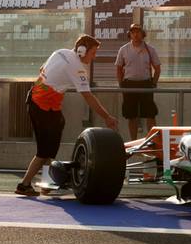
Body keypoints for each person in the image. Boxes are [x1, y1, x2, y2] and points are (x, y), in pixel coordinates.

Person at [16, 34, 119, 196]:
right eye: (93, 53)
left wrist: (55, 86)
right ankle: (24, 184)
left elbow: (41, 69)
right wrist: (107, 117)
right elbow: (88, 96)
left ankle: (47, 183)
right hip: (42, 107)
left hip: (39, 101)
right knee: (44, 151)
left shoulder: (60, 52)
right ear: (82, 51)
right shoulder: (77, 68)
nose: (94, 57)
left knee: (51, 147)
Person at [115, 23, 162, 140]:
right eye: (133, 32)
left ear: (143, 34)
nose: (135, 35)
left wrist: (153, 83)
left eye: (138, 32)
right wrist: (121, 84)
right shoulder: (123, 49)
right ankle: (134, 141)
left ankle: (152, 141)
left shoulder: (150, 49)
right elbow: (119, 68)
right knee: (131, 116)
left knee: (150, 114)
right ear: (129, 34)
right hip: (129, 84)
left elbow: (157, 68)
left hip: (146, 84)